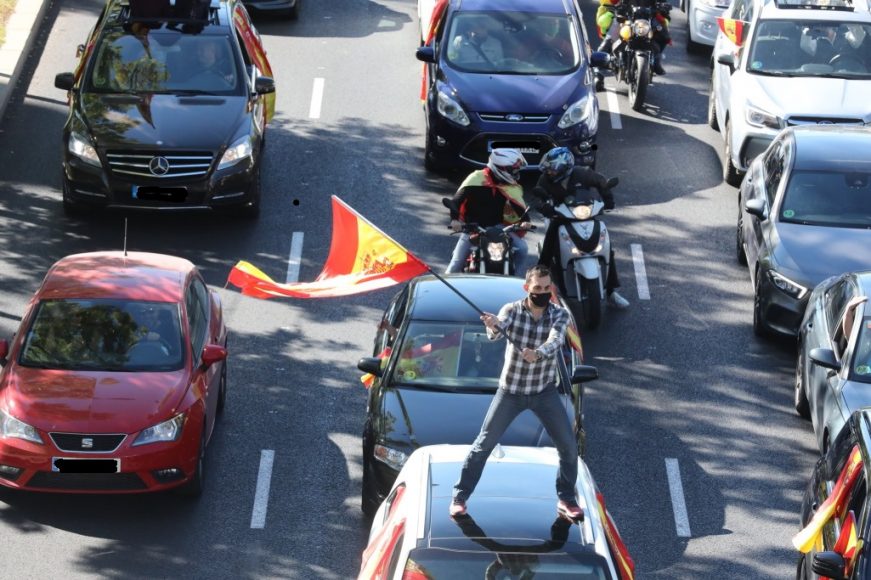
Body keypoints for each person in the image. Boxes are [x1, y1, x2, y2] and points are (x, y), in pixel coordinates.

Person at [450, 264, 584, 521]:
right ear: (527, 288)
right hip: (510, 392)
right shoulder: (511, 310)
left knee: (568, 446)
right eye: (537, 288)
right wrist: (492, 325)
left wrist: (538, 353)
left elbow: (556, 340)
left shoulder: (559, 315)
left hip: (543, 392)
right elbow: (496, 332)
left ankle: (567, 498)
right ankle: (459, 497)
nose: (542, 293)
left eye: (547, 288)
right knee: (483, 445)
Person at [531, 147, 630, 310]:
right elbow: (536, 196)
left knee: (607, 249)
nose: (550, 173)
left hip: (587, 214)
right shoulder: (546, 179)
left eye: (553, 170)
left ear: (564, 167)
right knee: (548, 249)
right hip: (560, 217)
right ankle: (538, 287)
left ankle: (612, 292)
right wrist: (544, 207)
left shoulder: (584, 173)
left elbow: (603, 183)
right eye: (548, 170)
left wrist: (608, 200)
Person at [445, 149, 532, 274]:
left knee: (523, 249)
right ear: (500, 168)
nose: (515, 173)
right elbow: (456, 201)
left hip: (500, 228)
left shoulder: (509, 186)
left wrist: (526, 221)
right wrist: (454, 220)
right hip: (473, 229)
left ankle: (516, 280)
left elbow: (519, 207)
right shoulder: (476, 178)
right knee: (455, 265)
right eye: (512, 169)